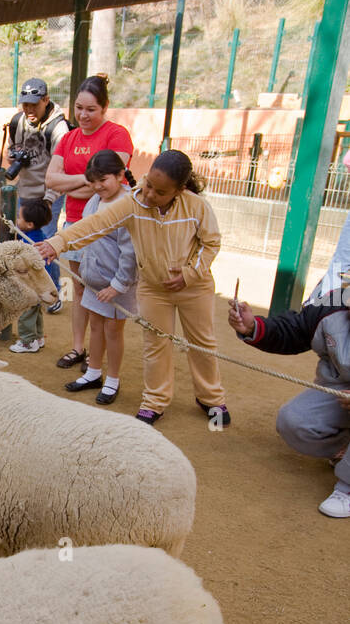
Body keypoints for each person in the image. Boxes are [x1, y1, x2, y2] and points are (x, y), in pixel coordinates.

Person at [38, 148, 230, 428]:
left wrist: (189, 274)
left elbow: (211, 243)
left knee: (202, 344)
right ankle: (154, 401)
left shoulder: (197, 206)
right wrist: (57, 243)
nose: (150, 194)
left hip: (194, 287)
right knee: (155, 345)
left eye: (160, 192)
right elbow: (96, 224)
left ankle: (211, 398)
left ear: (178, 191)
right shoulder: (134, 202)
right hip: (153, 288)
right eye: (149, 184)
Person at [229, 289, 350, 517]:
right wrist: (252, 327)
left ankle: (346, 487)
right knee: (294, 421)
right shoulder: (334, 301)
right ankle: (343, 451)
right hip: (339, 387)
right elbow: (296, 328)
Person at [45, 75, 133, 373]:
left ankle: (100, 361)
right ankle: (78, 348)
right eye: (79, 108)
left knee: (105, 292)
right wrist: (88, 180)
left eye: (91, 109)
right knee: (79, 289)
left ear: (105, 107)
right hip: (74, 220)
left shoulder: (117, 134)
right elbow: (51, 179)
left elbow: (113, 181)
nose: (83, 115)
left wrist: (74, 184)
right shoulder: (68, 137)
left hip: (108, 224)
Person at [63, 150, 137, 405]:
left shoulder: (129, 204)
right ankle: (93, 372)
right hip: (94, 279)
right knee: (95, 325)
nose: (97, 186)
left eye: (103, 180)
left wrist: (117, 286)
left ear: (120, 175)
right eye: (92, 182)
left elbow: (131, 252)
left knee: (113, 331)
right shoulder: (94, 200)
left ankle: (112, 380)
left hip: (118, 284)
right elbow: (86, 235)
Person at [4, 78, 70, 312]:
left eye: (34, 104)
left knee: (45, 243)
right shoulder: (17, 122)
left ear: (46, 100)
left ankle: (54, 293)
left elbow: (63, 168)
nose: (29, 110)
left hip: (48, 194)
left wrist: (49, 200)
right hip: (25, 190)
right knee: (23, 240)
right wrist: (13, 158)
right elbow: (10, 150)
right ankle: (28, 289)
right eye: (25, 105)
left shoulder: (58, 129)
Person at [8, 196, 56, 354]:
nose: (16, 219)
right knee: (36, 312)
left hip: (32, 287)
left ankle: (28, 341)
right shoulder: (38, 235)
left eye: (19, 217)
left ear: (29, 224)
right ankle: (38, 337)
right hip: (40, 287)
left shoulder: (30, 242)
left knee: (26, 313)